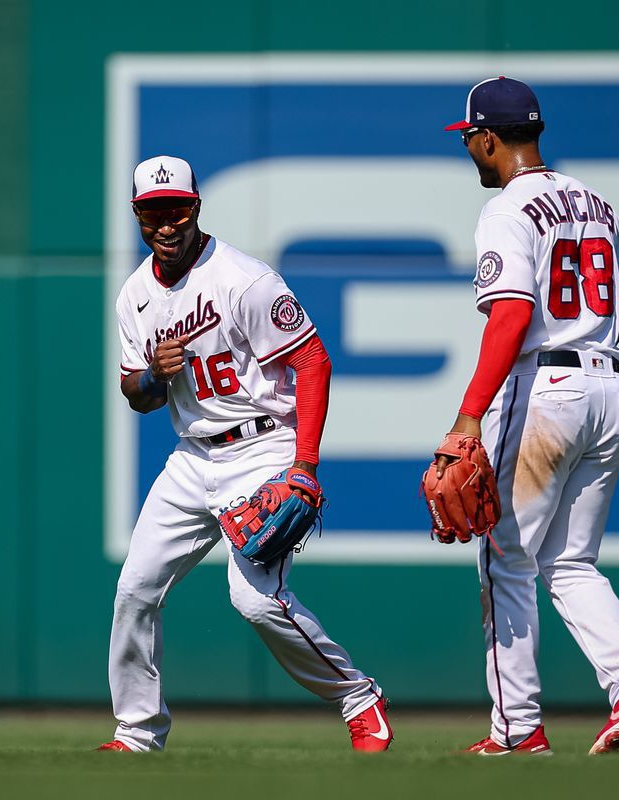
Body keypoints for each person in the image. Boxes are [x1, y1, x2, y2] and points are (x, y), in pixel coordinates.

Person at [99, 155, 391, 753]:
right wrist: (154, 375)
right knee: (135, 590)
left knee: (255, 601)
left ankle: (359, 699)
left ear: (197, 206)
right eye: (153, 213)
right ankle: (136, 733)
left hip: (263, 446)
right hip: (191, 456)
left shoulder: (242, 278)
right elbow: (136, 395)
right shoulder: (134, 295)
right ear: (137, 215)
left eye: (177, 209)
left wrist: (304, 466)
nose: (166, 224)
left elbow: (313, 361)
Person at [436, 77, 619, 755]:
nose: (470, 152)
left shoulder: (509, 209)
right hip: (608, 385)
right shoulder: (597, 203)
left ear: (488, 138)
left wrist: (466, 419)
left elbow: (511, 314)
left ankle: (515, 731)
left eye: (471, 140)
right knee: (570, 561)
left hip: (546, 389)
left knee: (504, 559)